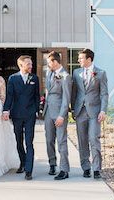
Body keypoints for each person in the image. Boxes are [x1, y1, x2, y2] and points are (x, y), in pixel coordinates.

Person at [71, 49, 108, 179]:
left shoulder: (101, 73)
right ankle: (86, 167)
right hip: (80, 111)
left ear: (89, 59)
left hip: (95, 112)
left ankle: (97, 168)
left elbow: (104, 94)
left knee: (93, 138)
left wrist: (103, 110)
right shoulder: (76, 73)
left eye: (81, 58)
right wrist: (73, 109)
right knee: (82, 141)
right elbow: (74, 92)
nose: (78, 60)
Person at [3, 55, 40, 180]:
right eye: (28, 64)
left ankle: (29, 170)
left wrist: (35, 110)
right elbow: (10, 96)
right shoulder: (13, 79)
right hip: (17, 114)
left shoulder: (35, 78)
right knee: (19, 141)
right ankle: (23, 162)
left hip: (30, 115)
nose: (31, 66)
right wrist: (5, 110)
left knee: (29, 142)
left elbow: (36, 96)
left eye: (31, 64)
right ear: (21, 65)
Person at [43, 51, 72, 180]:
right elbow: (48, 91)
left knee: (61, 141)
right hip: (48, 111)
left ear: (55, 62)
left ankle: (64, 169)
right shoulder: (49, 73)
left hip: (59, 112)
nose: (48, 65)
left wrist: (62, 115)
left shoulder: (66, 76)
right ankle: (52, 164)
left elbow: (66, 98)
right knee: (49, 139)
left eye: (49, 62)